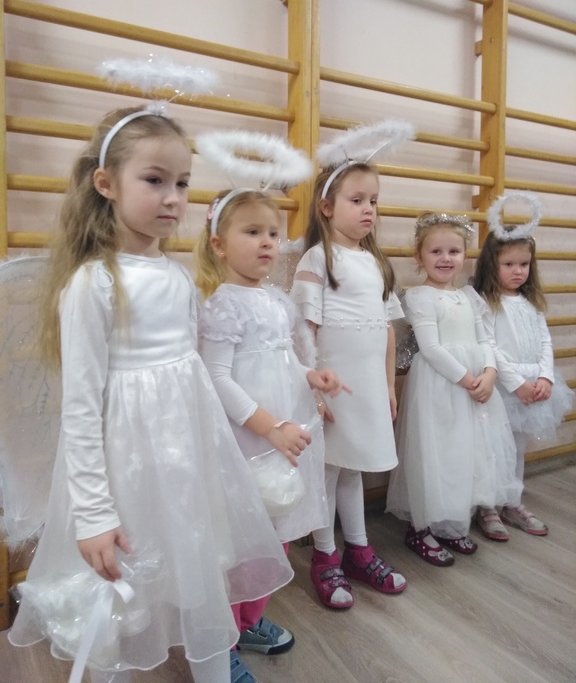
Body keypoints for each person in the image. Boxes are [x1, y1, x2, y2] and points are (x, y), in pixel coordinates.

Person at [8, 106, 293, 683]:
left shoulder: (178, 276)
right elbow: (82, 408)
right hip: (127, 473)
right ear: (106, 183)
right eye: (155, 180)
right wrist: (94, 514)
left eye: (182, 183)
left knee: (202, 576)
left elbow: (189, 384)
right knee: (123, 595)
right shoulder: (93, 283)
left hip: (186, 468)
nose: (172, 198)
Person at [196, 186, 346, 682]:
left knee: (277, 535)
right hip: (249, 440)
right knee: (242, 543)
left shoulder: (275, 301)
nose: (267, 242)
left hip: (284, 436)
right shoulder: (221, 305)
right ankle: (224, 641)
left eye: (273, 234)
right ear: (219, 244)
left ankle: (249, 621)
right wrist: (271, 427)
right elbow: (217, 379)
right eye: (252, 232)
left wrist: (311, 376)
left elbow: (280, 360)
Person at [291, 159, 407, 609]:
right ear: (326, 207)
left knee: (353, 467)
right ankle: (325, 556)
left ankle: (358, 550)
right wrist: (313, 391)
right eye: (357, 200)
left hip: (368, 388)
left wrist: (389, 387)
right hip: (332, 387)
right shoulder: (318, 258)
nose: (368, 209)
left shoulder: (376, 262)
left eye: (373, 201)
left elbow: (387, 332)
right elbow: (304, 332)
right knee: (328, 469)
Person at [386, 212, 523, 564]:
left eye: (454, 251)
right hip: (441, 386)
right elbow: (431, 348)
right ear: (419, 257)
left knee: (464, 454)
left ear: (464, 255)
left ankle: (450, 524)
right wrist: (466, 378)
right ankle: (421, 528)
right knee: (436, 453)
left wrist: (490, 373)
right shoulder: (420, 297)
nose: (445, 258)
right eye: (436, 252)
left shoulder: (469, 296)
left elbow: (485, 339)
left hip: (475, 387)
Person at [473, 197, 573, 537]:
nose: (518, 271)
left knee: (516, 448)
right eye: (509, 264)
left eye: (524, 264)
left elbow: (544, 340)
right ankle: (488, 506)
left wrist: (545, 375)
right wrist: (516, 383)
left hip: (532, 384)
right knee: (493, 448)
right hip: (503, 388)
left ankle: (512, 502)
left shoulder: (531, 301)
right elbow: (489, 346)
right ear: (492, 264)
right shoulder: (487, 302)